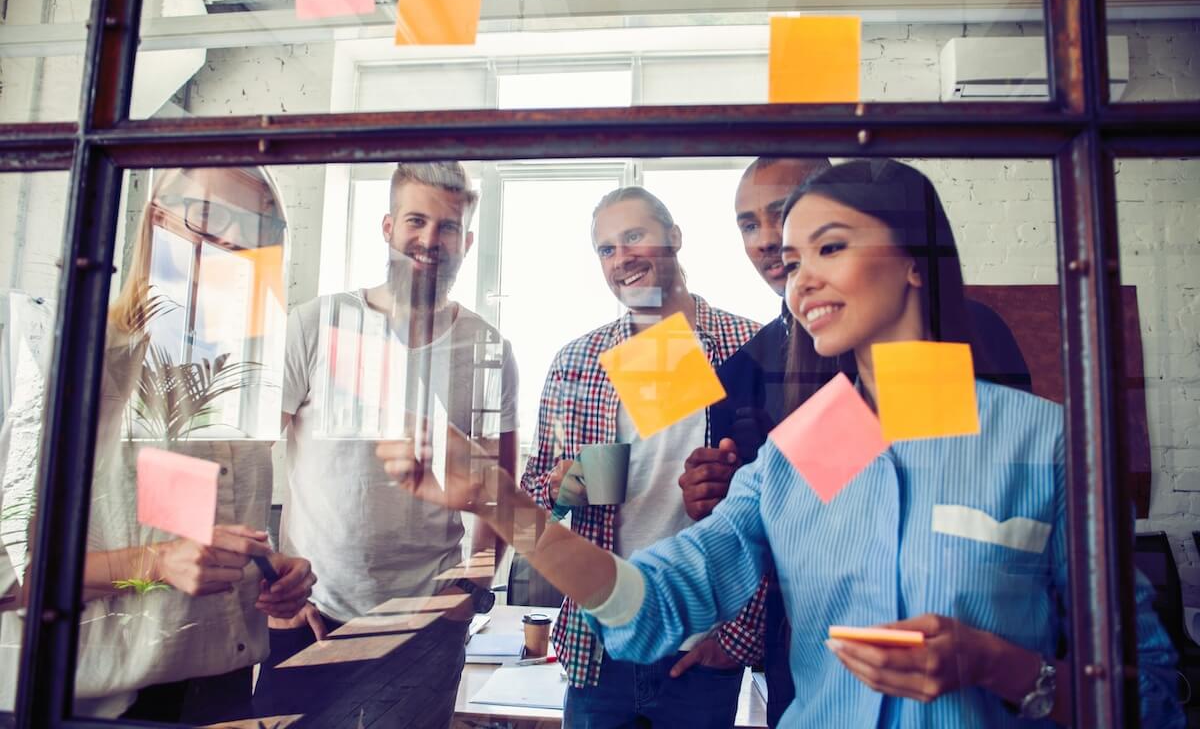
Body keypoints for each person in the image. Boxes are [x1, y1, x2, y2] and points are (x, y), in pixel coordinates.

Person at [381, 160, 1184, 728]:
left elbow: (1150, 691)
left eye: (829, 247)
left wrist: (998, 666)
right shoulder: (809, 446)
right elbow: (652, 600)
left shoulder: (1042, 445)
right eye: (791, 260)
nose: (797, 277)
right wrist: (500, 501)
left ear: (913, 259)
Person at [687, 156, 1035, 725]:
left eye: (790, 215)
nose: (771, 238)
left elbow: (996, 479)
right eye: (750, 225)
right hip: (812, 661)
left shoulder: (971, 334)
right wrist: (719, 499)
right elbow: (754, 529)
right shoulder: (743, 370)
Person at [0, 166, 315, 721]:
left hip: (225, 690)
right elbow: (8, 577)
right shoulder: (81, 358)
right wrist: (151, 565)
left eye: (257, 234)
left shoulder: (239, 382)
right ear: (156, 223)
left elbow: (188, 535)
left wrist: (271, 569)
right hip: (105, 706)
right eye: (208, 222)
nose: (234, 248)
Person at [253, 161, 518, 726]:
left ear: (467, 241)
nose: (430, 240)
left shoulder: (488, 348)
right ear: (388, 226)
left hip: (425, 624)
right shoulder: (314, 323)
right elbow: (250, 458)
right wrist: (276, 581)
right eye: (416, 221)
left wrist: (472, 587)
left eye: (447, 227)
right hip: (314, 615)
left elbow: (500, 486)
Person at [518, 186, 760, 727]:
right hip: (602, 644)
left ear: (674, 238)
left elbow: (781, 507)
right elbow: (537, 501)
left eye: (634, 237)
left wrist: (738, 639)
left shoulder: (749, 346)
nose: (621, 257)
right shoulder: (576, 363)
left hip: (703, 651)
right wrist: (566, 488)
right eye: (606, 249)